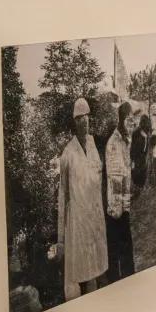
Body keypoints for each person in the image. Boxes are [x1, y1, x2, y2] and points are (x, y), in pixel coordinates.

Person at [56, 97, 108, 297]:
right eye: (79, 118)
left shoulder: (94, 146)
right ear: (74, 122)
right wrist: (60, 238)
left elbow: (98, 181)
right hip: (77, 223)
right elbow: (63, 195)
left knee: (95, 271)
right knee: (76, 278)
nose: (84, 121)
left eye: (86, 116)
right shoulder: (68, 154)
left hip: (94, 220)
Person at [104, 101, 135, 284]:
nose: (132, 124)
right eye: (129, 120)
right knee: (118, 251)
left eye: (133, 120)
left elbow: (125, 175)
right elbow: (115, 179)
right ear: (122, 119)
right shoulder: (115, 143)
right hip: (116, 209)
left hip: (123, 206)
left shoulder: (124, 141)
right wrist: (120, 209)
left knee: (125, 251)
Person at [131, 111, 152, 192]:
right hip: (137, 157)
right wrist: (132, 160)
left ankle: (140, 188)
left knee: (143, 172)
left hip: (143, 157)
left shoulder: (147, 133)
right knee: (137, 173)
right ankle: (137, 188)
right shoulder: (136, 133)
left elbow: (147, 147)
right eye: (144, 123)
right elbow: (133, 148)